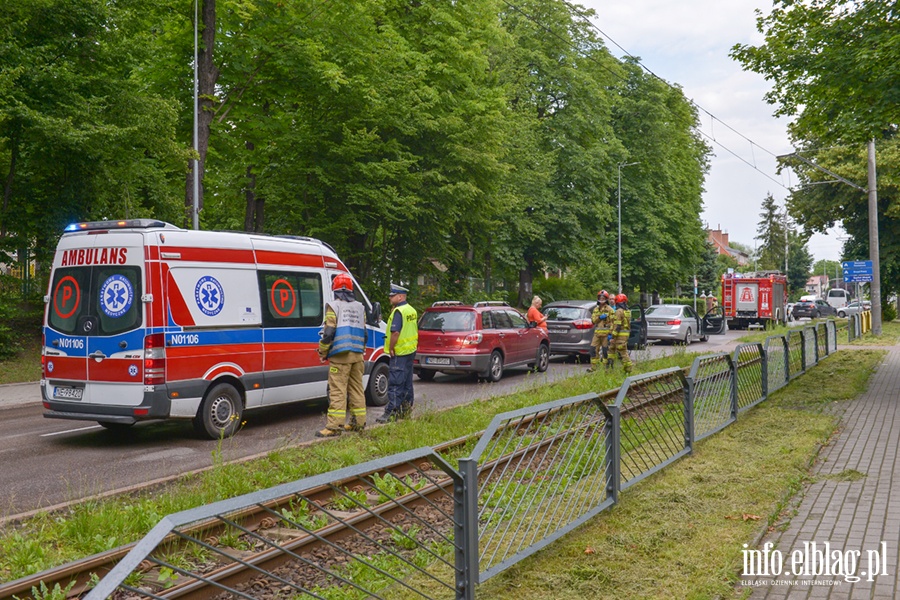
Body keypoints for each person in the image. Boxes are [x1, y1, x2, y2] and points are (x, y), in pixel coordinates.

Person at [315, 274, 367, 437]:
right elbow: (364, 333)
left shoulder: (333, 306)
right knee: (357, 389)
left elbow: (329, 332)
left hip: (340, 355)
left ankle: (334, 426)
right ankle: (358, 423)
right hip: (358, 355)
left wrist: (323, 351)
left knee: (338, 390)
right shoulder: (360, 307)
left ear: (335, 290)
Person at [377, 284, 418, 424]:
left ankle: (391, 412)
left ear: (400, 296)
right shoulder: (411, 310)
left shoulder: (399, 311)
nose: (390, 297)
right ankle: (405, 410)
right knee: (407, 382)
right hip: (410, 351)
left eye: (392, 295)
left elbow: (395, 332)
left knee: (395, 382)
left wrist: (391, 347)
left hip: (399, 352)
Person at [588, 290, 615, 372]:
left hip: (606, 335)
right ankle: (593, 367)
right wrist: (599, 318)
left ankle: (605, 368)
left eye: (603, 298)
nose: (602, 299)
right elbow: (593, 320)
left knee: (605, 351)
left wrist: (611, 334)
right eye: (600, 297)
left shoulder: (610, 310)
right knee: (593, 349)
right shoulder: (596, 309)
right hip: (597, 334)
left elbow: (613, 323)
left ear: (606, 299)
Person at [607, 293, 633, 374]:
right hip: (625, 335)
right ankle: (609, 368)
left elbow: (617, 325)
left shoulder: (619, 311)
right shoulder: (627, 311)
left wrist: (612, 336)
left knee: (623, 352)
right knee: (611, 350)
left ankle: (628, 370)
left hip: (619, 336)